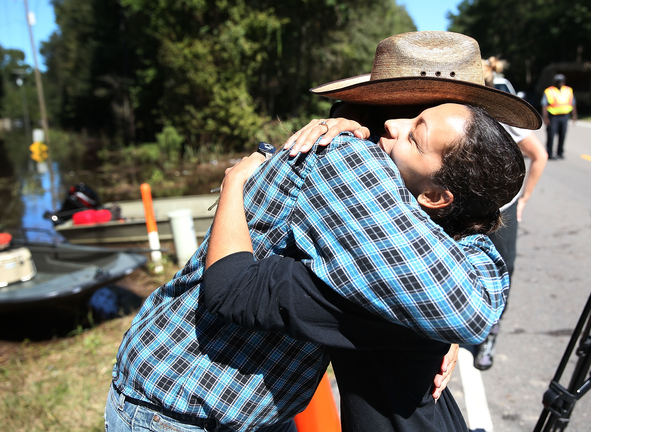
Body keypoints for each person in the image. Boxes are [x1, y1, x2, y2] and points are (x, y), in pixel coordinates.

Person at [105, 31, 541, 432]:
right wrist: (440, 327)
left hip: (240, 405)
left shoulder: (387, 168)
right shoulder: (351, 162)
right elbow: (467, 307)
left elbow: (431, 280)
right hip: (181, 409)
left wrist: (435, 333)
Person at [202, 98, 537, 431]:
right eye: (408, 113)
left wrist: (234, 182)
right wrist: (348, 117)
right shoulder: (455, 256)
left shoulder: (387, 277)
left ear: (435, 197)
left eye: (414, 137)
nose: (394, 125)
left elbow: (231, 287)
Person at [471, 58, 549, 371]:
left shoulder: (503, 114)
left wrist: (524, 200)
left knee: (502, 270)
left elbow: (539, 156)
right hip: (462, 209)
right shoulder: (447, 112)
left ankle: (490, 331)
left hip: (502, 210)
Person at [541, 73, 577, 159]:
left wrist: (574, 115)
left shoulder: (568, 90)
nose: (560, 83)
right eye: (558, 81)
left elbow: (573, 103)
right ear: (555, 82)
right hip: (553, 116)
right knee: (551, 134)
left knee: (562, 134)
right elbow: (544, 105)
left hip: (565, 116)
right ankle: (549, 153)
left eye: (562, 81)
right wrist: (545, 117)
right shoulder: (549, 91)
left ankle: (560, 152)